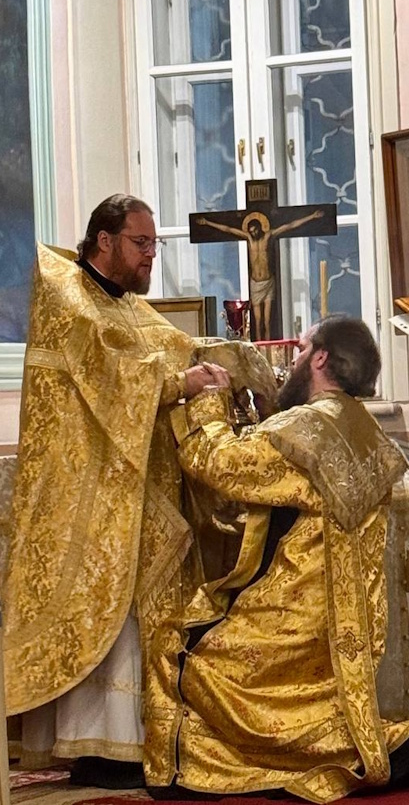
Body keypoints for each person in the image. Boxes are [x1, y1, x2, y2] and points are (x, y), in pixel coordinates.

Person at [144, 315, 409, 802]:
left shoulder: (305, 426)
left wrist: (210, 398)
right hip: (348, 626)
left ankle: (185, 775)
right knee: (325, 719)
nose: (292, 360)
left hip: (293, 615)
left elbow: (218, 464)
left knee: (178, 651)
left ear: (321, 357)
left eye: (301, 349)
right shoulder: (359, 426)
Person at [3, 194, 276, 787]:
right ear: (104, 241)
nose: (151, 254)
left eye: (155, 243)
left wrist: (238, 358)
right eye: (141, 242)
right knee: (106, 611)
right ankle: (99, 745)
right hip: (86, 493)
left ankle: (144, 737)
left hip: (139, 487)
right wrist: (182, 382)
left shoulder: (126, 304)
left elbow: (175, 347)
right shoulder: (68, 296)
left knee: (141, 612)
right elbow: (114, 374)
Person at [197, 209, 324, 340]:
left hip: (268, 282)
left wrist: (312, 216)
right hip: (255, 284)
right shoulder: (249, 238)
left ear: (260, 228)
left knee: (267, 321)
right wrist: (207, 222)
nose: (253, 233)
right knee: (257, 321)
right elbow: (228, 229)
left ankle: (268, 346)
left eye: (255, 230)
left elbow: (289, 226)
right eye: (251, 231)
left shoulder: (268, 236)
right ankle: (258, 346)